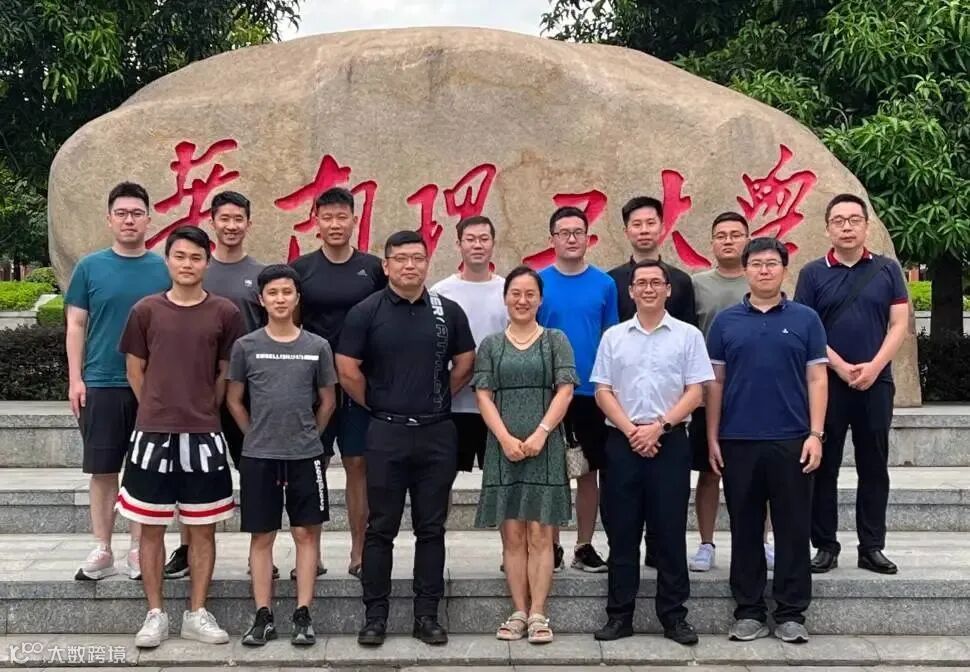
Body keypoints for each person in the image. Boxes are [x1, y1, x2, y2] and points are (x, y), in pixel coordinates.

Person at [336, 230, 475, 647]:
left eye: (417, 258)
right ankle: (375, 616)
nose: (409, 265)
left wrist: (437, 397)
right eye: (400, 258)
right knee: (381, 527)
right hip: (386, 431)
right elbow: (347, 368)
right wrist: (379, 404)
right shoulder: (366, 311)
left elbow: (465, 361)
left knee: (431, 528)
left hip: (437, 432)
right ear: (386, 265)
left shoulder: (447, 311)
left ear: (427, 262)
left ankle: (427, 616)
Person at [116, 226, 244, 649]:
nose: (188, 264)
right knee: (151, 529)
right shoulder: (145, 310)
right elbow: (135, 370)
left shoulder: (225, 312)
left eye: (196, 257)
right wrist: (156, 408)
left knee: (203, 529)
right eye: (180, 256)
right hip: (152, 435)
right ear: (168, 260)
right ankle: (155, 614)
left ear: (207, 262)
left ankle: (197, 612)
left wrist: (206, 408)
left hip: (204, 435)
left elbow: (225, 371)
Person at [707, 237, 827, 644]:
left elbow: (817, 378)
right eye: (756, 263)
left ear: (784, 270)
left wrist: (816, 434)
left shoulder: (806, 319)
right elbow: (715, 383)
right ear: (745, 270)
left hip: (792, 439)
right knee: (745, 528)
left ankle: (791, 613)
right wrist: (712, 436)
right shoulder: (725, 322)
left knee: (793, 528)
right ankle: (749, 611)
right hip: (738, 439)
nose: (764, 270)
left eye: (771, 263)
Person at [591, 260, 713, 645]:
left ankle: (674, 617)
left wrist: (659, 427)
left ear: (667, 289)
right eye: (640, 283)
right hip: (622, 442)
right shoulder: (614, 336)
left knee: (670, 531)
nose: (648, 289)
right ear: (630, 291)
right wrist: (632, 432)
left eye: (655, 283)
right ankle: (619, 616)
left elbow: (696, 390)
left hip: (670, 441)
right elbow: (602, 391)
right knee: (622, 532)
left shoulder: (688, 335)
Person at [795, 194, 909, 575]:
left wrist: (874, 367)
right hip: (827, 384)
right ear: (827, 228)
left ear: (866, 225)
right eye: (839, 220)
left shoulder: (887, 270)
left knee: (873, 466)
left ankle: (871, 546)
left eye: (854, 220)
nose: (847, 227)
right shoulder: (812, 273)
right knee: (823, 466)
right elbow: (808, 329)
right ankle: (825, 545)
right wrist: (842, 367)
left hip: (877, 382)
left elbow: (899, 324)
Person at [65, 182, 170, 581]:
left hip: (152, 387)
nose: (129, 220)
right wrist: (76, 379)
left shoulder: (163, 268)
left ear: (149, 219)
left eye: (136, 213)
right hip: (102, 382)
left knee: (143, 470)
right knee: (103, 468)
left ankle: (138, 549)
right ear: (109, 219)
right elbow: (76, 324)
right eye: (122, 213)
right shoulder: (90, 267)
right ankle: (102, 547)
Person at [227, 264, 337, 647]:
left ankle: (303, 613)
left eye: (287, 292)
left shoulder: (317, 346)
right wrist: (253, 434)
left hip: (306, 455)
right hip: (259, 456)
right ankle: (263, 615)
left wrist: (310, 436)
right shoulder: (246, 346)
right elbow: (234, 399)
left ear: (297, 297)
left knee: (306, 533)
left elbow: (327, 401)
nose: (280, 299)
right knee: (262, 535)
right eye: (272, 293)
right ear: (261, 299)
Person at [164, 190, 266, 580]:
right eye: (224, 218)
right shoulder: (198, 268)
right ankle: (187, 548)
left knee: (254, 470)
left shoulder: (261, 274)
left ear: (249, 224)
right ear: (212, 221)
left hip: (248, 390)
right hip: (196, 390)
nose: (231, 225)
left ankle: (260, 553)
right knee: (189, 472)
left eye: (238, 218)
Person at [473, 266, 576, 644]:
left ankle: (538, 613)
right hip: (503, 449)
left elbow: (565, 390)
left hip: (544, 447)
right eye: (515, 293)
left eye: (530, 294)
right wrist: (504, 438)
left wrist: (540, 434)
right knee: (513, 535)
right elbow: (483, 394)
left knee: (541, 533)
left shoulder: (555, 340)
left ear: (540, 299)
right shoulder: (491, 345)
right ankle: (518, 610)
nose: (522, 300)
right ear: (505, 298)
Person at [291, 186, 387, 580]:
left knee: (358, 464)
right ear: (316, 221)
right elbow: (291, 324)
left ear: (354, 220)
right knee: (312, 463)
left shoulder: (373, 268)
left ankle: (359, 549)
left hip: (360, 381)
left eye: (341, 217)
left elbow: (385, 320)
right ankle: (309, 553)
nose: (334, 224)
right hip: (313, 384)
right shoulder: (301, 269)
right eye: (327, 217)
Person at [607, 196, 696, 567]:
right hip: (623, 413)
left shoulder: (681, 281)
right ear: (626, 230)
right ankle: (621, 597)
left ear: (662, 227)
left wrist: (662, 425)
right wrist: (631, 429)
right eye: (636, 224)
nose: (644, 230)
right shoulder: (611, 281)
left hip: (668, 416)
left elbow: (690, 358)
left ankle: (666, 577)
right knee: (622, 520)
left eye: (650, 223)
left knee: (669, 521)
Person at [537, 206, 618, 574]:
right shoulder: (539, 281)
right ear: (552, 239)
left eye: (578, 232)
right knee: (551, 473)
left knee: (588, 472)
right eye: (563, 232)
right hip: (549, 392)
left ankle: (584, 545)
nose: (571, 238)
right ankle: (550, 545)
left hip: (590, 392)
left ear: (588, 238)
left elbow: (610, 338)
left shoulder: (605, 284)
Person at [687, 212, 752, 573]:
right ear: (711, 242)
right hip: (706, 394)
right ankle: (706, 542)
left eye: (735, 234)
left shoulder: (759, 280)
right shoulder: (697, 285)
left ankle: (761, 541)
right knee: (709, 472)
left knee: (756, 475)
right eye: (721, 235)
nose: (728, 241)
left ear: (748, 239)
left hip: (752, 394)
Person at [431, 215, 507, 473]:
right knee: (442, 478)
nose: (477, 245)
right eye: (470, 239)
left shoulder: (507, 291)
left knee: (497, 479)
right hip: (453, 403)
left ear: (493, 243)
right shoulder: (440, 292)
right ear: (458, 244)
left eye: (484, 239)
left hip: (497, 404)